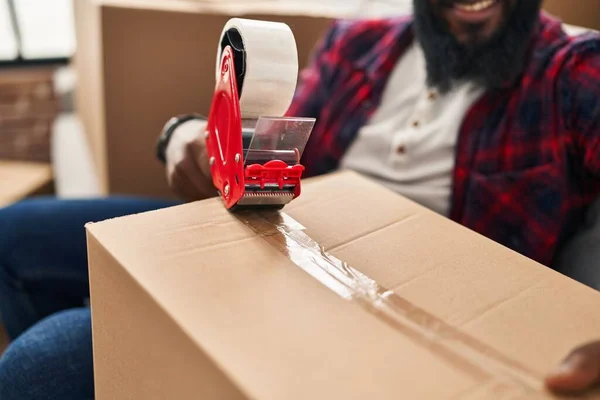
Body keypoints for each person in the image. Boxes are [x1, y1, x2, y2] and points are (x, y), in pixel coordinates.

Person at [1, 0, 600, 398]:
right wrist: (186, 135)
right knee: (14, 235)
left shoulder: (572, 72)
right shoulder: (357, 43)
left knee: (37, 369)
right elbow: (266, 153)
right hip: (277, 230)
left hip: (387, 303)